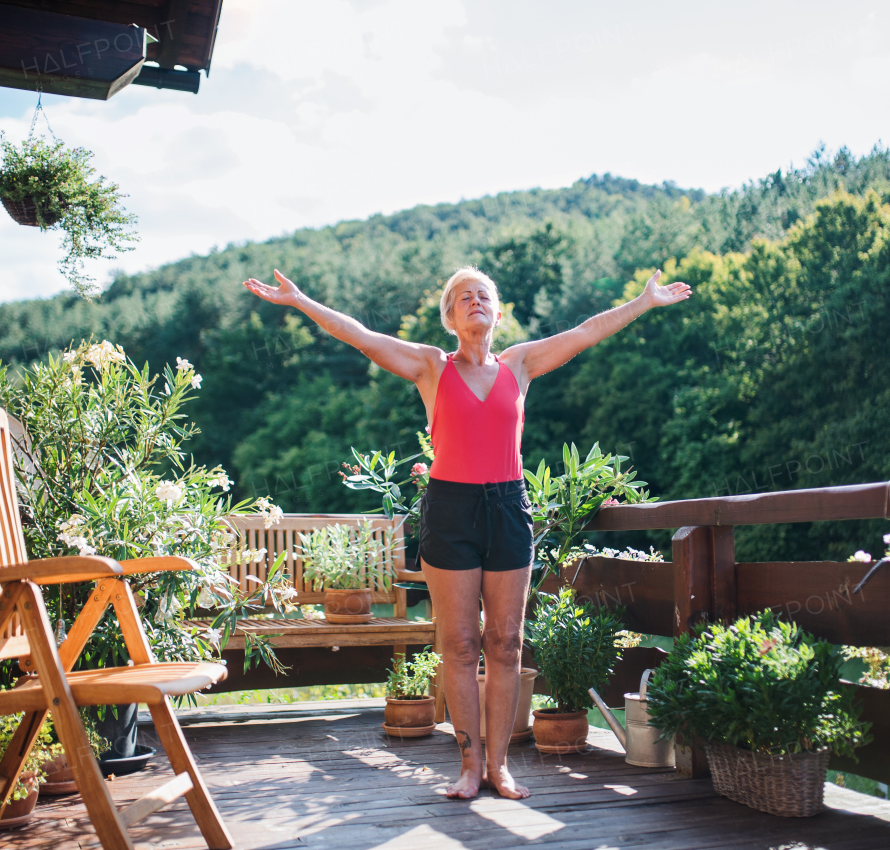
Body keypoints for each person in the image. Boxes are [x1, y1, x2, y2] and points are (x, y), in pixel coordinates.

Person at [244, 265, 691, 799]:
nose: (475, 301)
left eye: (484, 295)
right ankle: (467, 762)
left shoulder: (520, 363)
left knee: (505, 643)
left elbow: (584, 333)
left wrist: (642, 302)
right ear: (451, 317)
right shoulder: (432, 367)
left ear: (498, 314)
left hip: (507, 506)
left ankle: (499, 766)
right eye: (463, 297)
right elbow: (360, 336)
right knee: (457, 643)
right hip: (450, 508)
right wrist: (302, 302)